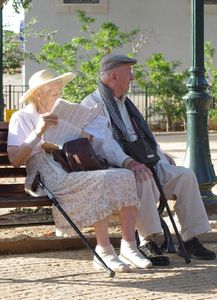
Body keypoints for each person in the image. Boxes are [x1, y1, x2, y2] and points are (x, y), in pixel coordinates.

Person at [7, 69, 153, 273]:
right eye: (53, 93)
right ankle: (104, 250)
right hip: (45, 173)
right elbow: (15, 159)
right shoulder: (21, 117)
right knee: (99, 180)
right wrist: (38, 131)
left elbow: (84, 140)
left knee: (124, 175)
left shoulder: (60, 112)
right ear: (38, 94)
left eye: (59, 91)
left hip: (70, 164)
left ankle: (129, 246)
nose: (58, 96)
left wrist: (81, 133)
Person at [82, 54, 217, 263]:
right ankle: (148, 240)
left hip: (145, 161)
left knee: (185, 176)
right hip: (119, 167)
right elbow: (103, 144)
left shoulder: (125, 103)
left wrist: (160, 155)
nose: (132, 78)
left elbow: (143, 137)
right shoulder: (93, 104)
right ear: (113, 76)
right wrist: (129, 162)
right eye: (129, 73)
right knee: (142, 177)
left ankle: (190, 239)